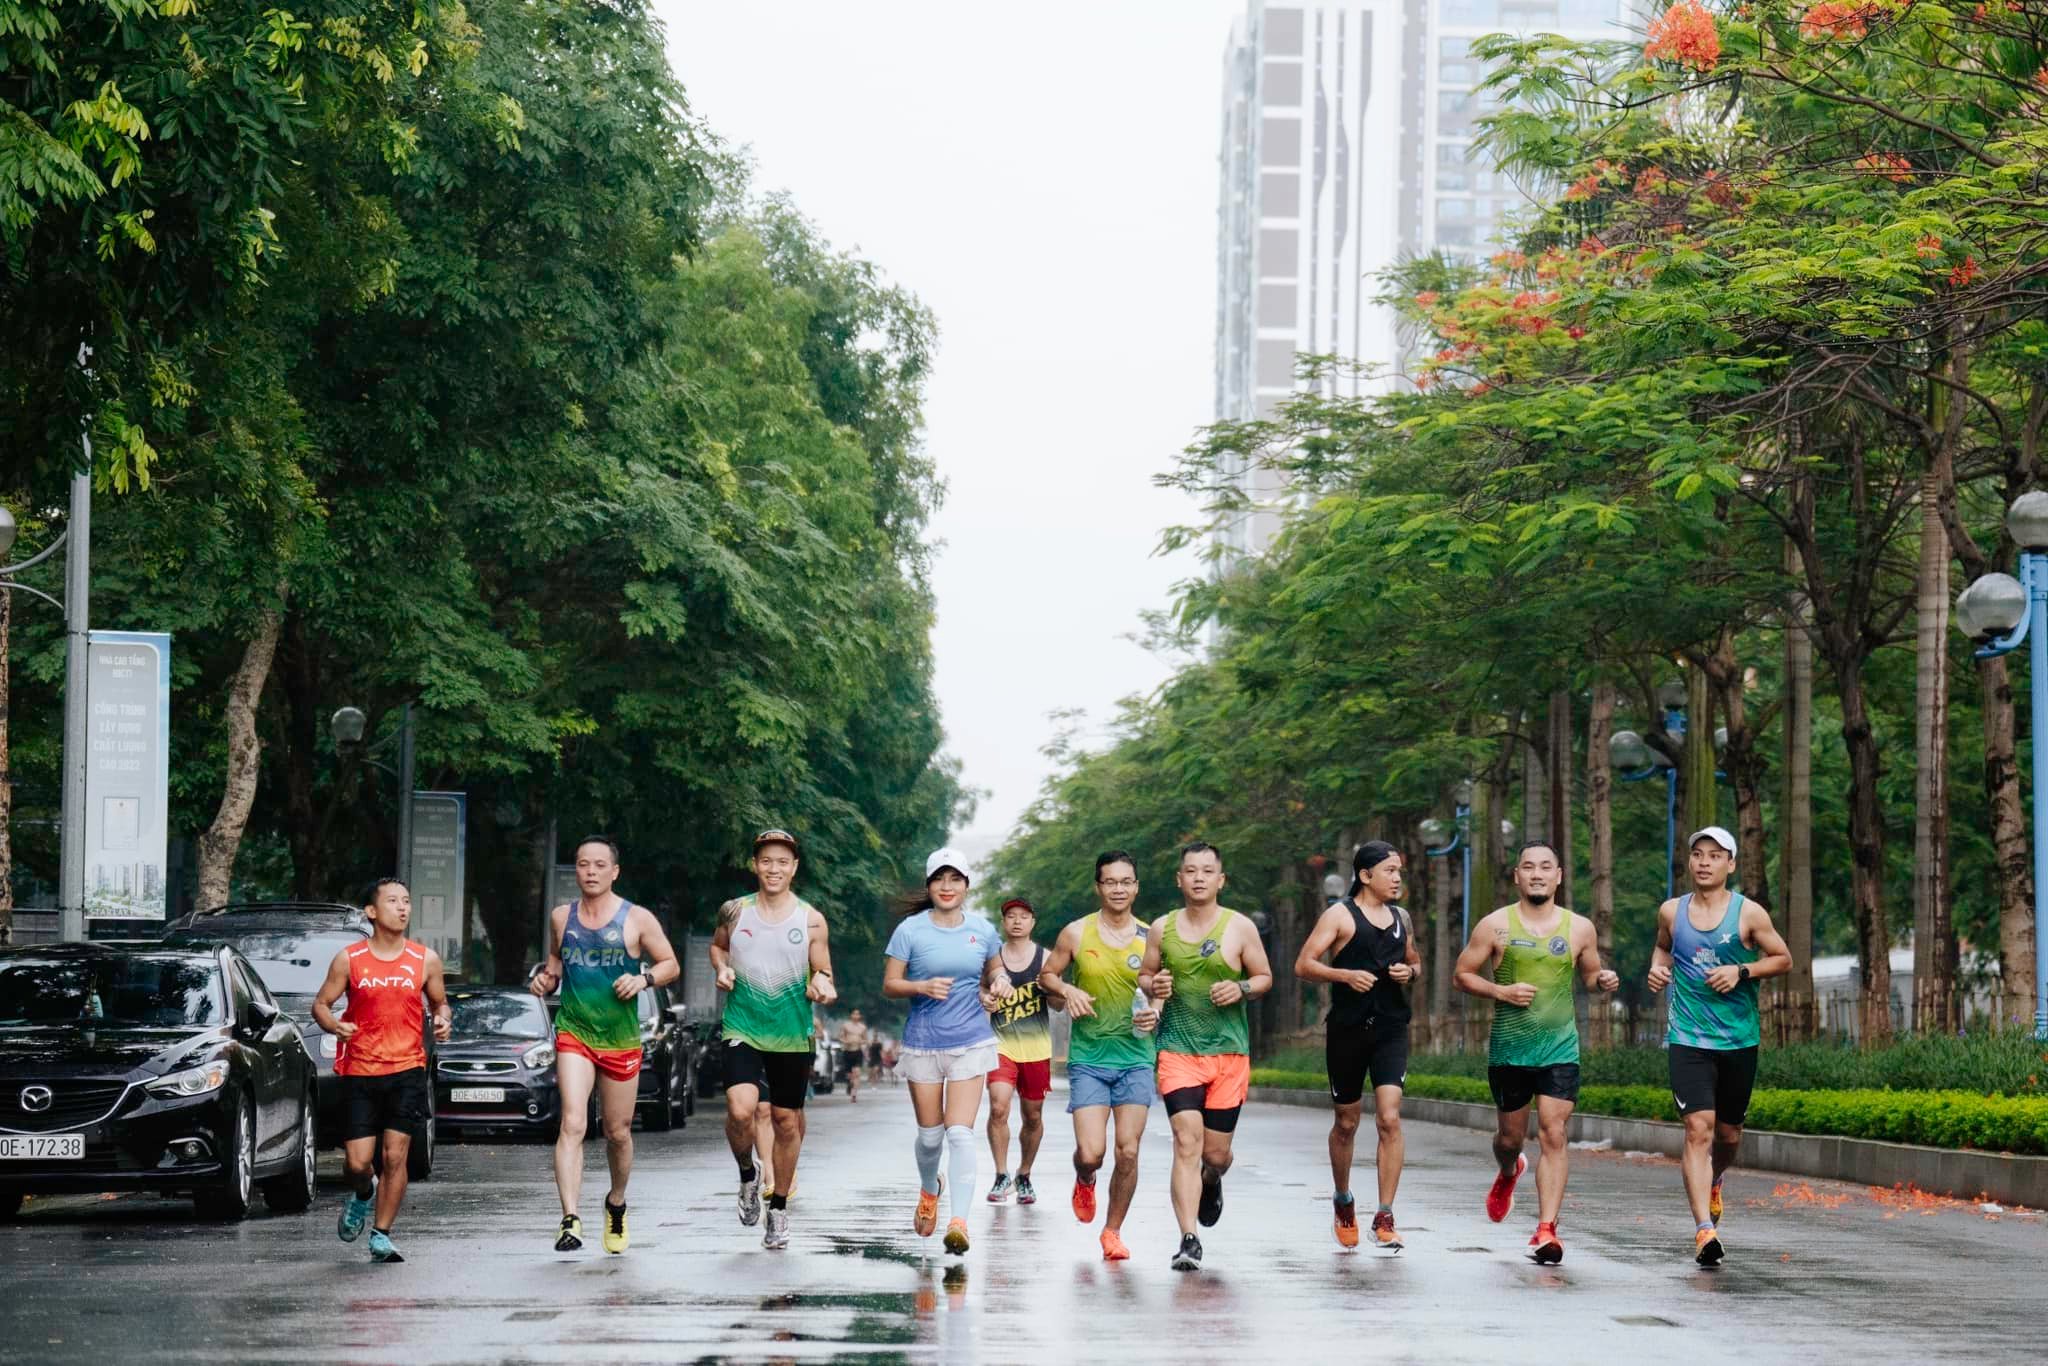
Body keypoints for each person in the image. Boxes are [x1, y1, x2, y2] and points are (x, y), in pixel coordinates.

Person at [1453, 841, 1619, 1265]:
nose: (1538, 874)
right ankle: (1509, 1171)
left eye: (1546, 866)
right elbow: (1462, 974)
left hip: (1560, 1047)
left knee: (1553, 1132)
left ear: (1559, 876)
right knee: (1511, 1139)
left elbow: (1590, 975)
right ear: (1517, 876)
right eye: (1529, 867)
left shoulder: (1579, 928)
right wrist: (1500, 990)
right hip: (1510, 1049)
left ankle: (1546, 1230)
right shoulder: (1495, 926)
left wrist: (1603, 982)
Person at [1647, 825, 1794, 1266]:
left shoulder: (1749, 915)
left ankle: (1715, 1180)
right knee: (1698, 1129)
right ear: (1690, 862)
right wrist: (1657, 971)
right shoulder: (1672, 912)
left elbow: (1782, 958)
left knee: (1728, 1136)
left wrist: (1742, 972)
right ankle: (1703, 1230)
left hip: (1738, 1040)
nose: (1704, 862)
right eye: (1698, 855)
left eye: (1715, 855)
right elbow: (1661, 950)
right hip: (1688, 1037)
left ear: (1730, 864)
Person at [529, 836, 681, 1255]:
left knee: (617, 1132)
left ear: (614, 871)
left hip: (620, 1038)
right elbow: (555, 965)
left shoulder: (637, 919)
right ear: (575, 871)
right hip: (574, 1032)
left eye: (599, 865)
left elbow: (670, 964)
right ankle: (570, 1218)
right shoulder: (562, 917)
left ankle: (616, 1202)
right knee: (573, 1122)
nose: (590, 872)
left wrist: (643, 978)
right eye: (582, 864)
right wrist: (546, 980)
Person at [1139, 841, 1272, 1271]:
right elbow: (1146, 973)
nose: (1198, 878)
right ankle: (1188, 1238)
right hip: (1177, 1049)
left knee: (1214, 1156)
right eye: (1190, 871)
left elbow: (1264, 976)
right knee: (1185, 1143)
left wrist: (1242, 988)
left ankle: (1211, 1181)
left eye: (1207, 871)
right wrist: (1152, 985)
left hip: (1229, 1053)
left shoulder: (1239, 928)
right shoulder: (1162, 928)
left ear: (1220, 880)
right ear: (1179, 879)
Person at [312, 878, 452, 1264]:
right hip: (360, 1069)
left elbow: (441, 1004)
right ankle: (362, 1193)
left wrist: (442, 1020)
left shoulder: (425, 959)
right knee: (358, 1163)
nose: (402, 908)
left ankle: (381, 1234)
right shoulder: (350, 959)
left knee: (395, 1158)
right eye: (392, 901)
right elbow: (321, 1004)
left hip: (407, 1069)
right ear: (371, 912)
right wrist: (334, 1025)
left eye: (406, 901)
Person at [882, 847, 1012, 1256]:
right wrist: (921, 987)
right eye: (940, 879)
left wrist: (1001, 984)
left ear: (967, 885)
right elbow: (890, 984)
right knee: (930, 1137)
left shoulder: (983, 929)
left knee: (960, 1133)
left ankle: (960, 1222)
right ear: (929, 885)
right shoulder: (910, 930)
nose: (947, 886)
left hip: (970, 1041)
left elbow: (994, 969)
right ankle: (928, 1187)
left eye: (955, 879)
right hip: (923, 1042)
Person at [712, 828, 837, 1250]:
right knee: (741, 1108)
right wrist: (722, 968)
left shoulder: (812, 919)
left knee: (785, 1121)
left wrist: (823, 985)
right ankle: (748, 1175)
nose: (774, 868)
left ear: (794, 867)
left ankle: (778, 1208)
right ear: (755, 865)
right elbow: (718, 947)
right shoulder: (734, 911)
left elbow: (823, 970)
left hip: (790, 1032)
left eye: (783, 861)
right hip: (743, 1025)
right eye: (766, 860)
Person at [1294, 840, 1421, 1252]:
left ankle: (1384, 1215)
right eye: (1390, 870)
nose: (1398, 878)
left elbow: (1416, 960)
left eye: (1400, 870)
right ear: (1365, 876)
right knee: (1347, 1122)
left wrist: (1410, 972)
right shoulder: (1340, 915)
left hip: (1391, 1028)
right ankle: (1344, 1200)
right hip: (1348, 1030)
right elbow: (1304, 964)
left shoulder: (1402, 917)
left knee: (1389, 1119)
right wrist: (1344, 976)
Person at [1038, 849, 1160, 1261]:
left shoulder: (1152, 937)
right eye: (1111, 881)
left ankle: (1112, 1231)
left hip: (1137, 1056)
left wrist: (1155, 1013)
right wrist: (1066, 989)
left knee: (1128, 1149)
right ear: (1099, 886)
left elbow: (1164, 988)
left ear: (1136, 886)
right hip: (1089, 1058)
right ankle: (1084, 1177)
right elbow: (1047, 975)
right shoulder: (1076, 932)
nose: (1119, 889)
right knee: (1093, 1153)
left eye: (1127, 881)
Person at [985, 897, 1058, 1206]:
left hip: (1036, 1047)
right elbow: (979, 990)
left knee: (1032, 1115)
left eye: (1023, 916)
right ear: (1004, 922)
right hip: (1000, 1044)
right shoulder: (992, 957)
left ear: (1032, 922)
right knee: (999, 1107)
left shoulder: (1046, 958)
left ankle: (1024, 1174)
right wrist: (985, 999)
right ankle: (1001, 1175)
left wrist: (1049, 989)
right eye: (1011, 916)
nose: (1017, 921)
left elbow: (1059, 1004)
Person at [838, 1008, 870, 1104]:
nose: (856, 1016)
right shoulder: (845, 1025)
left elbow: (865, 1040)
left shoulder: (862, 1027)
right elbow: (840, 1037)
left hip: (857, 1052)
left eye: (858, 1014)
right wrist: (846, 1041)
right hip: (847, 1051)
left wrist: (861, 1041)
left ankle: (854, 1095)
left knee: (857, 1074)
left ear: (860, 1016)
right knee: (849, 1075)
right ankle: (849, 1083)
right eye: (854, 1014)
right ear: (851, 1015)